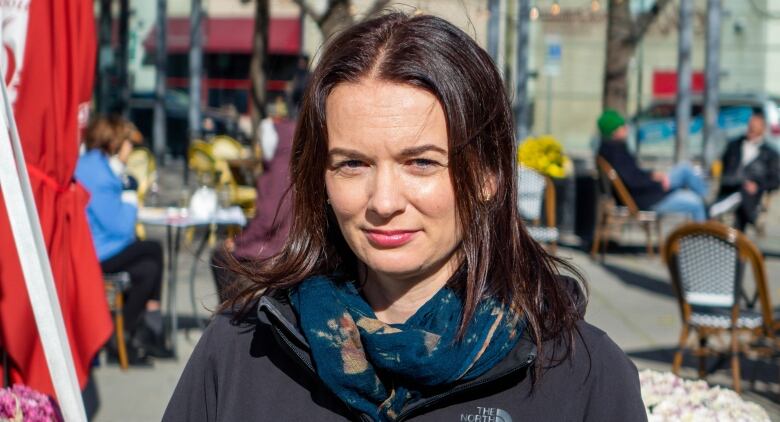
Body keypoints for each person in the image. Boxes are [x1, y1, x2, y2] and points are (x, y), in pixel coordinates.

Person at [164, 13, 645, 421]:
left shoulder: (582, 375)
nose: (384, 201)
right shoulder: (240, 351)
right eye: (353, 163)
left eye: (421, 162)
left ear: (488, 176)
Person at [75, 116, 172, 365]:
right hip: (99, 252)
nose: (131, 147)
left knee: (149, 268)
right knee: (153, 249)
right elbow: (122, 228)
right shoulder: (99, 174)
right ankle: (139, 329)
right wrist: (129, 195)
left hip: (98, 247)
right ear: (115, 142)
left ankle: (131, 333)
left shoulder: (95, 165)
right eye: (128, 142)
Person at [210, 114, 295, 302]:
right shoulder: (297, 161)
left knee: (220, 256)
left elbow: (268, 219)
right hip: (290, 246)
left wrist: (239, 241)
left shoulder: (278, 171)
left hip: (277, 250)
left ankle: (232, 315)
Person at [597, 109, 709, 221]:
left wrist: (653, 175)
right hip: (646, 199)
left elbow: (634, 175)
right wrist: (658, 184)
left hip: (648, 192)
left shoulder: (611, 149)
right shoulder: (616, 153)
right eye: (621, 126)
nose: (626, 128)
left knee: (684, 169)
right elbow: (633, 183)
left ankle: (708, 204)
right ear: (613, 132)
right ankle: (704, 232)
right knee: (695, 203)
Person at [714, 108, 779, 230]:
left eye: (755, 126)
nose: (751, 129)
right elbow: (723, 169)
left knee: (742, 195)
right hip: (729, 188)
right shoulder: (733, 145)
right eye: (750, 125)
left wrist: (757, 186)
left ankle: (719, 210)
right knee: (737, 194)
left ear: (763, 129)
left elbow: (775, 181)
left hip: (751, 198)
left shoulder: (770, 154)